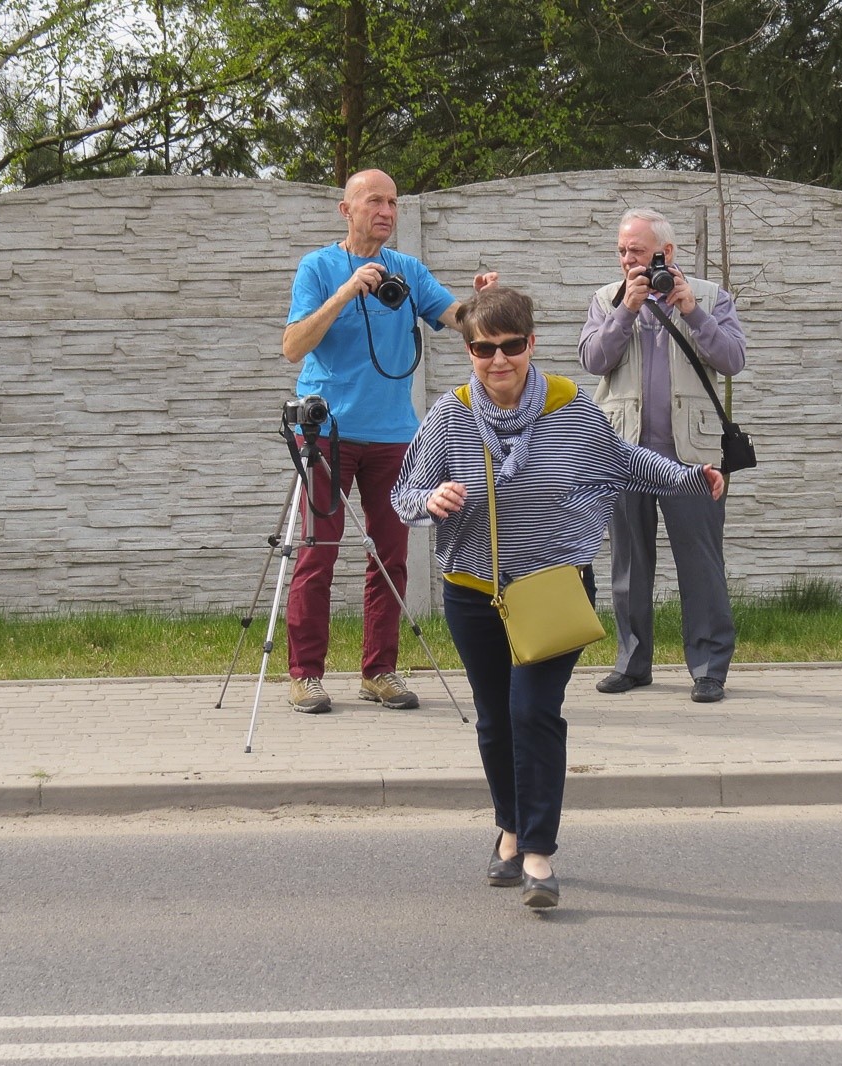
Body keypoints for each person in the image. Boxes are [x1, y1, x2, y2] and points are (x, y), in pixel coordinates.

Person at [392, 287, 724, 909]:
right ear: (469, 351)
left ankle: (538, 853)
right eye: (484, 349)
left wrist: (690, 477)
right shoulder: (449, 416)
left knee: (533, 713)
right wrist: (429, 501)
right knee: (494, 720)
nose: (498, 360)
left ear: (531, 344)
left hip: (553, 590)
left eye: (511, 346)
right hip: (474, 593)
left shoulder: (572, 410)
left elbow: (626, 463)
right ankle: (510, 829)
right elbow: (404, 494)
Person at [282, 168, 497, 715]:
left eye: (393, 203)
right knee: (317, 554)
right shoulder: (318, 267)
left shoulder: (408, 271)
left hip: (396, 437)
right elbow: (293, 345)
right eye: (374, 201)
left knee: (390, 557)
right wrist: (346, 291)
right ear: (346, 210)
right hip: (326, 433)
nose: (386, 211)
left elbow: (457, 318)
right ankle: (306, 675)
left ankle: (379, 670)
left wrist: (482, 305)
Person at [578, 208, 747, 704]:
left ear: (665, 252)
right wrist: (625, 312)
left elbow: (733, 359)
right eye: (622, 250)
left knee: (701, 564)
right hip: (624, 453)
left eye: (636, 250)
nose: (627, 259)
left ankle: (709, 669)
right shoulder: (606, 300)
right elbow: (593, 359)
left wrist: (692, 311)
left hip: (692, 458)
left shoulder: (710, 297)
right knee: (628, 564)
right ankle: (632, 663)